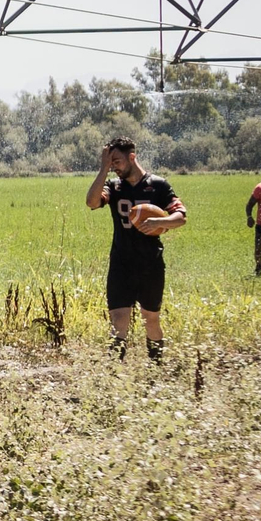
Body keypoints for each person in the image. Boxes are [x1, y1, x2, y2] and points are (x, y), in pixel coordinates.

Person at [84, 136, 187, 361]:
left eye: (117, 162)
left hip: (150, 264)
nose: (115, 167)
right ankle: (112, 377)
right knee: (119, 322)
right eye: (111, 163)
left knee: (150, 319)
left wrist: (161, 223)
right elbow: (92, 202)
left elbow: (180, 217)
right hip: (121, 264)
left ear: (132, 157)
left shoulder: (158, 185)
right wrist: (103, 169)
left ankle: (156, 369)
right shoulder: (114, 186)